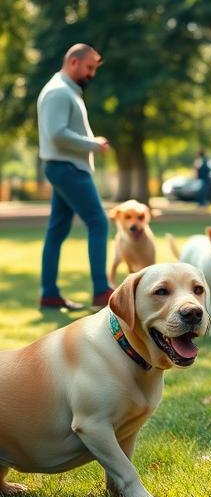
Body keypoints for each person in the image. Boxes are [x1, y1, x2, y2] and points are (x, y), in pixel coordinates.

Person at [37, 43, 113, 311]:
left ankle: (49, 294)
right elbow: (57, 133)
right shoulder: (59, 91)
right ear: (74, 62)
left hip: (63, 167)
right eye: (89, 67)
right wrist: (93, 144)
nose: (92, 73)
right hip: (67, 168)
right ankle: (101, 291)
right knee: (99, 222)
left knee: (57, 230)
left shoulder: (66, 90)